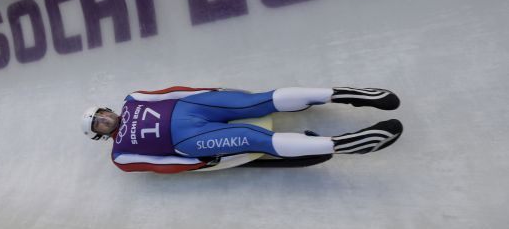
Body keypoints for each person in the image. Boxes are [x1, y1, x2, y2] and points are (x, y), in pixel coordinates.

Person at [82, 86, 403, 173]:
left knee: (257, 102)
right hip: (187, 141)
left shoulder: (133, 99)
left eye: (100, 113)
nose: (103, 119)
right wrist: (196, 163)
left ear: (107, 109)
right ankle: (343, 144)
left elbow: (171, 92)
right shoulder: (120, 155)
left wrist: (207, 90)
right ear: (100, 133)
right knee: (254, 138)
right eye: (98, 123)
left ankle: (343, 94)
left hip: (192, 107)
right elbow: (158, 165)